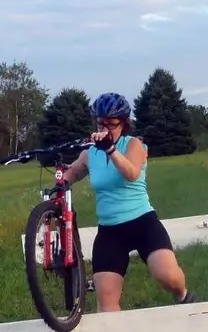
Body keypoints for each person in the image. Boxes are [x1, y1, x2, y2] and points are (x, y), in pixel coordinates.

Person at [59, 92, 197, 312]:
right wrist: (60, 180)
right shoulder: (89, 154)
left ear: (123, 124)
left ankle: (183, 295)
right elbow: (73, 172)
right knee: (106, 304)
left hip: (142, 222)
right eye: (100, 123)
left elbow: (131, 173)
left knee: (167, 276)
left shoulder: (134, 145)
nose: (105, 129)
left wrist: (111, 150)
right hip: (110, 231)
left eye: (111, 124)